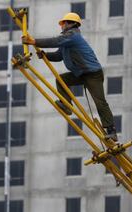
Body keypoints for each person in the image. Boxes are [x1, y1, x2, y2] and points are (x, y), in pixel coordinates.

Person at [21, 12, 118, 140]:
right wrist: (46, 55)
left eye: (65, 23)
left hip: (92, 74)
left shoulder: (73, 36)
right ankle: (66, 105)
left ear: (72, 24)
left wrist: (34, 42)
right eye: (62, 23)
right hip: (81, 73)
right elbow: (59, 56)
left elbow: (56, 41)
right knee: (61, 79)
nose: (62, 26)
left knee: (100, 102)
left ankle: (111, 130)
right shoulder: (67, 40)